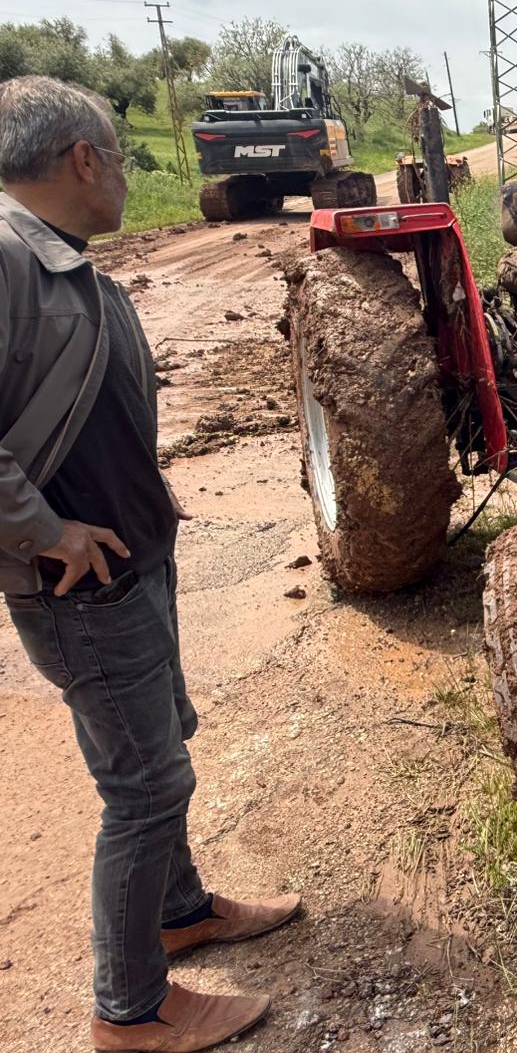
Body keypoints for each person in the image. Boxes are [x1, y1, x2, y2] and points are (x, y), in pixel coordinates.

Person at [0, 76, 300, 1052]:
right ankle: (129, 1011)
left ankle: (180, 910)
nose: (124, 178)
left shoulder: (59, 258)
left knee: (163, 737)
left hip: (131, 559)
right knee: (144, 788)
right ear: (84, 158)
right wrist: (46, 532)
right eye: (120, 159)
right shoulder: (7, 258)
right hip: (78, 584)